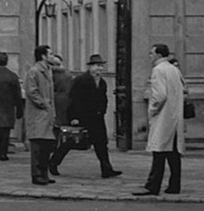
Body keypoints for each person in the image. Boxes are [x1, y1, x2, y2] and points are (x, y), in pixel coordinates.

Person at [51, 54, 122, 178]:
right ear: (90, 67)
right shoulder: (81, 80)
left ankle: (106, 169)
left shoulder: (102, 82)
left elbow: (103, 99)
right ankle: (53, 163)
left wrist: (102, 111)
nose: (99, 68)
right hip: (82, 116)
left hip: (97, 118)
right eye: (97, 66)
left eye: (101, 66)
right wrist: (73, 117)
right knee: (70, 142)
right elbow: (73, 99)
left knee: (101, 144)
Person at [133, 43, 184, 196]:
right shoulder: (174, 69)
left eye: (152, 53)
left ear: (159, 55)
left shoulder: (158, 70)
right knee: (173, 153)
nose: (150, 56)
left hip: (163, 116)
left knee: (159, 151)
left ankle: (152, 185)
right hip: (174, 115)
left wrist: (153, 109)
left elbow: (160, 95)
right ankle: (174, 185)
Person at [25, 44, 57, 185]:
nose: (52, 56)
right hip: (38, 114)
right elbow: (32, 91)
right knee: (38, 146)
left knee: (46, 146)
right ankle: (37, 174)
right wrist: (44, 104)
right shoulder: (35, 71)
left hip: (46, 114)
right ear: (43, 56)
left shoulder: (48, 71)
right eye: (50, 54)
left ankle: (44, 173)